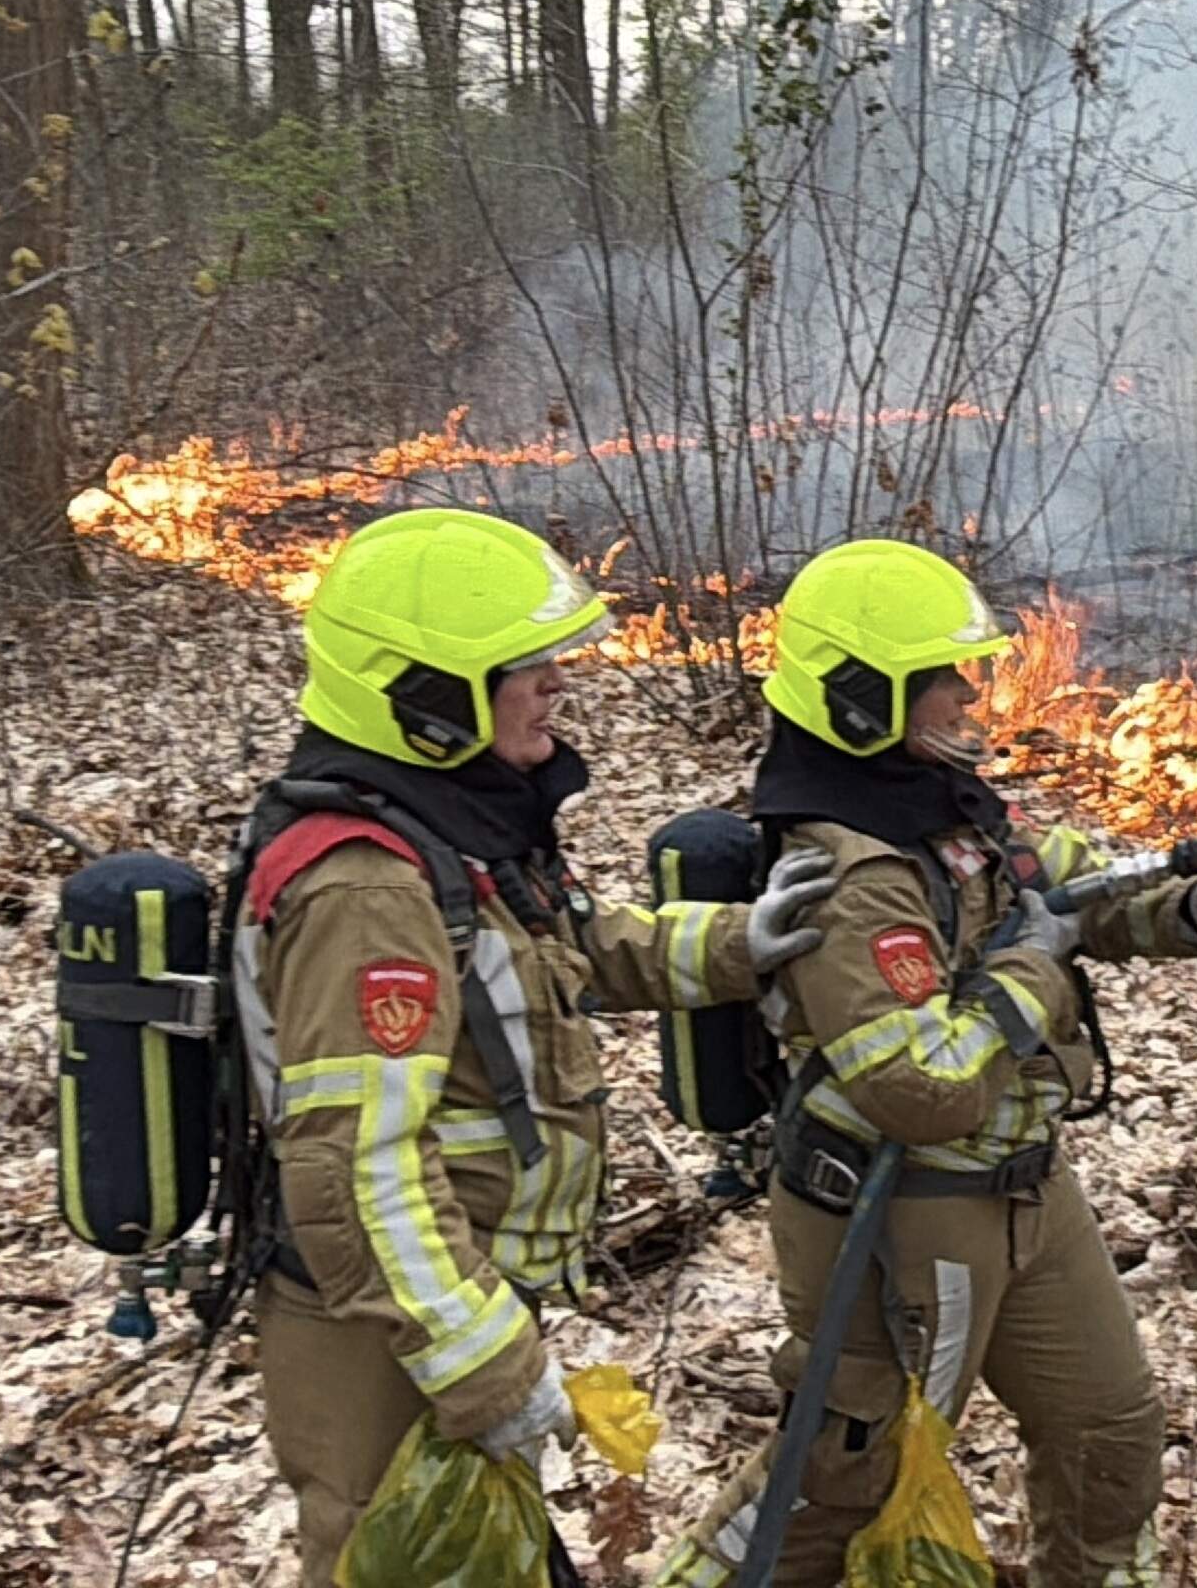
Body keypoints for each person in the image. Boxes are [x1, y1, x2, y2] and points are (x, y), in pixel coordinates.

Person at [652, 538, 1197, 1588]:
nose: (968, 691)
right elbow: (920, 1087)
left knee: (1109, 1432)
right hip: (904, 1213)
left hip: (1028, 1190)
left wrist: (1192, 909)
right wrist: (1035, 976)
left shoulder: (944, 805)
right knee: (851, 1469)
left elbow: (1061, 883)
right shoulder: (843, 866)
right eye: (943, 676)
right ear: (863, 699)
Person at [235, 507, 833, 1583]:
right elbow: (356, 1166)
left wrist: (742, 942)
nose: (559, 680)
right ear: (424, 696)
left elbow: (563, 948)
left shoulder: (447, 829)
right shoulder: (366, 886)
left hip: (434, 1308)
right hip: (384, 1340)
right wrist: (490, 1370)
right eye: (526, 664)